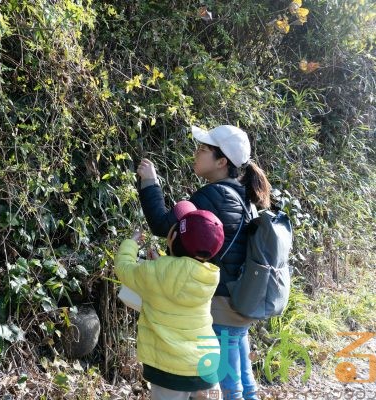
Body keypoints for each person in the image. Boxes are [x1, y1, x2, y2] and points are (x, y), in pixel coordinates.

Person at [136, 125, 271, 400]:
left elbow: (164, 225)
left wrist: (150, 182)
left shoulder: (215, 195)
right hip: (239, 300)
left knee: (226, 386)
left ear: (222, 162)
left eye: (203, 150)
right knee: (242, 381)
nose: (196, 154)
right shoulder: (244, 196)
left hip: (220, 305)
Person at [114, 200, 224, 400]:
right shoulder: (211, 276)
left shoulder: (154, 272)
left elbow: (123, 268)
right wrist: (160, 264)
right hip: (207, 365)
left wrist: (131, 243)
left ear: (172, 237)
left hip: (170, 369)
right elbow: (181, 278)